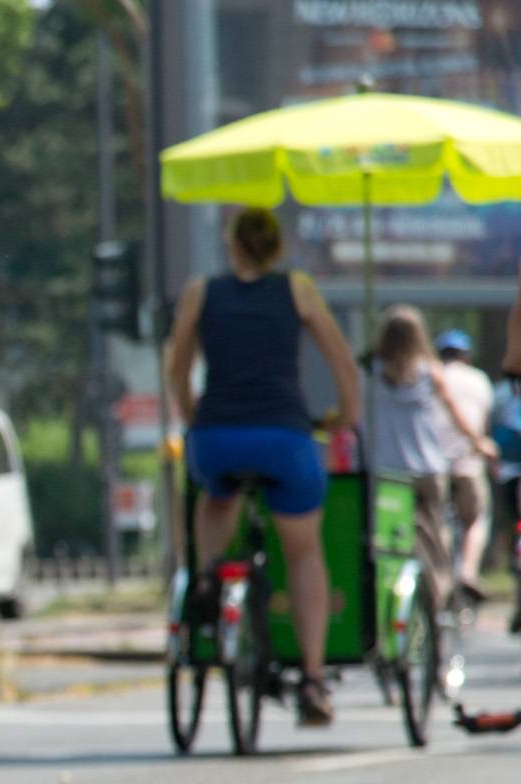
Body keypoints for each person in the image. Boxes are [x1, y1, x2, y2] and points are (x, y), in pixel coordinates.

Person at [164, 207, 360, 726]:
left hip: (216, 436)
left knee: (216, 497)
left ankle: (208, 579)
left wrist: (191, 417)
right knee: (302, 552)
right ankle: (314, 681)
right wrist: (346, 415)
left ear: (231, 245)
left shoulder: (199, 292)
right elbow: (342, 360)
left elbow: (177, 367)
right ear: (277, 247)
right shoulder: (298, 290)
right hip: (284, 436)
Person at [368, 308, 497, 616]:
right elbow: (456, 416)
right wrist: (478, 442)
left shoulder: (373, 371)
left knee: (388, 540)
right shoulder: (430, 372)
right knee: (437, 535)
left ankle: (387, 605)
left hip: (388, 471)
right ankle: (439, 602)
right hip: (428, 468)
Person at [433, 329, 494, 600]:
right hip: (469, 463)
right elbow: (484, 426)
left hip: (435, 464)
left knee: (438, 521)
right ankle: (468, 571)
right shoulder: (480, 380)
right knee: (476, 519)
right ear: (466, 355)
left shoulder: (434, 375)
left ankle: (441, 576)